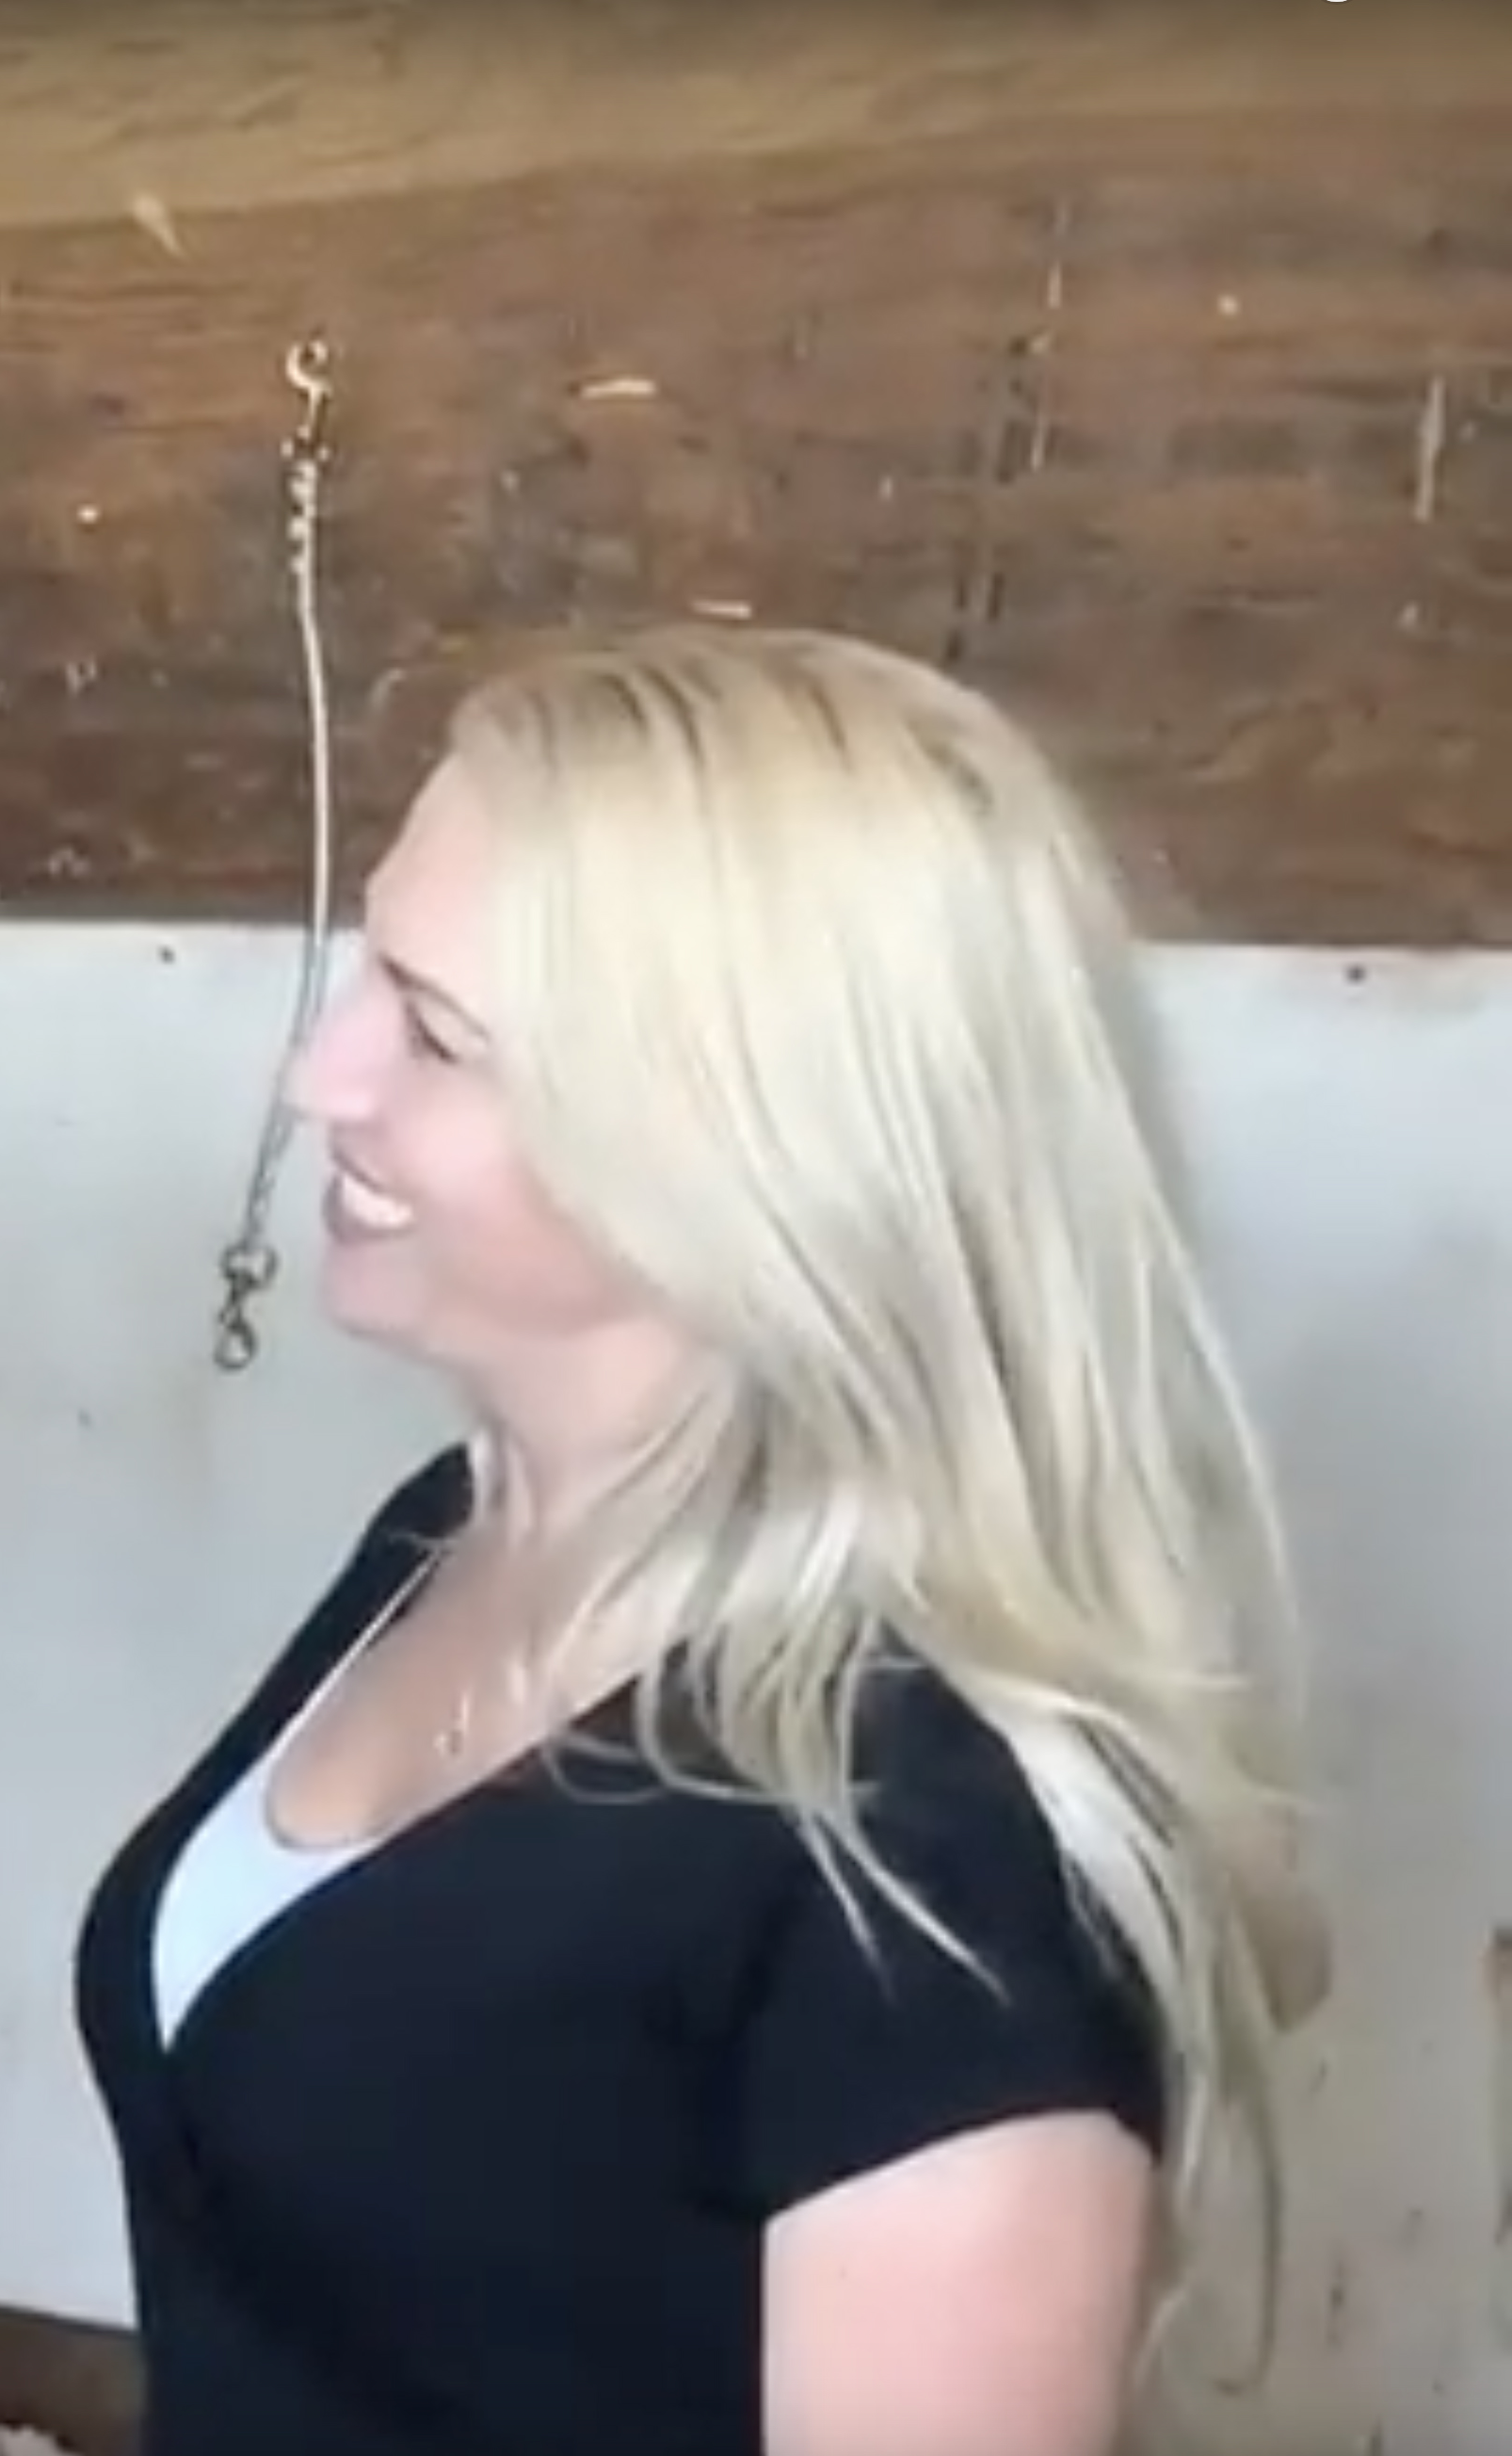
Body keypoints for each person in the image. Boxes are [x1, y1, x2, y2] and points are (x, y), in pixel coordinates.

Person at [67, 622, 1334, 2455]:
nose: (319, 1077)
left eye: (432, 1030)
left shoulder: (926, 1850)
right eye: (368, 976)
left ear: (740, 1139)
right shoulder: (452, 1532)